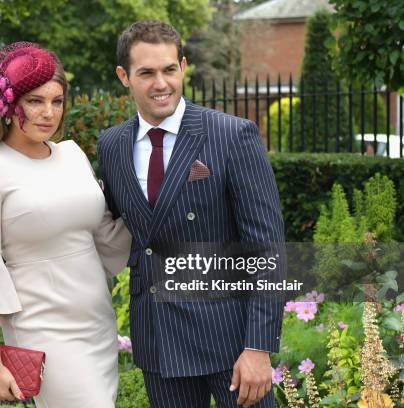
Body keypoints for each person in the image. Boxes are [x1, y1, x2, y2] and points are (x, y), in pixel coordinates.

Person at [98, 21, 285, 407]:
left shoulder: (232, 135)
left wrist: (259, 347)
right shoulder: (112, 145)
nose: (161, 83)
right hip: (158, 339)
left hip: (231, 341)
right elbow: (114, 228)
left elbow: (266, 248)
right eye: (146, 73)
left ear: (183, 66)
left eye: (169, 69)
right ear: (124, 76)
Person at [0, 41, 131, 407]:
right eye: (35, 101)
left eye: (57, 101)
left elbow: (105, 234)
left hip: (97, 322)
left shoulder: (73, 154)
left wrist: (163, 199)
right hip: (43, 331)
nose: (49, 113)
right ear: (9, 103)